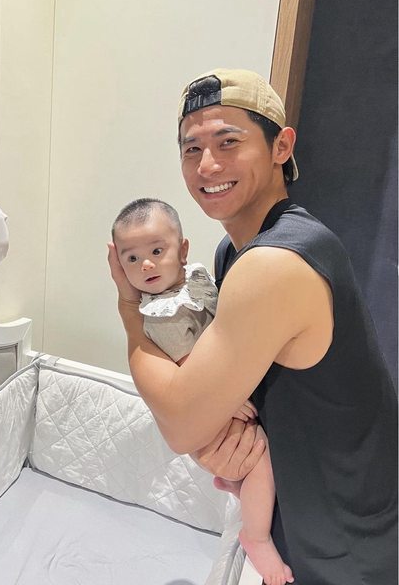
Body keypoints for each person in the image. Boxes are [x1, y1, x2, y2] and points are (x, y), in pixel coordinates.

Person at [107, 69, 397, 585]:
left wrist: (130, 309)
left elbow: (180, 424)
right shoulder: (234, 251)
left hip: (347, 536)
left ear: (281, 146)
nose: (207, 165)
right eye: (191, 149)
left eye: (228, 142)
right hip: (304, 510)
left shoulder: (274, 264)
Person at [111, 197, 294, 584]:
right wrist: (229, 399)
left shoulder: (196, 282)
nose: (146, 265)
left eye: (156, 251)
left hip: (227, 393)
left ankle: (238, 484)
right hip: (212, 406)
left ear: (183, 251)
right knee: (262, 459)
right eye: (131, 259)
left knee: (257, 457)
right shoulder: (162, 315)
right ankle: (257, 536)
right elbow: (191, 373)